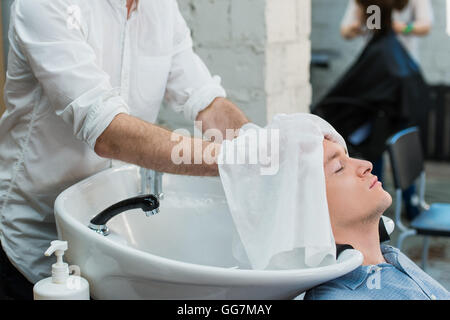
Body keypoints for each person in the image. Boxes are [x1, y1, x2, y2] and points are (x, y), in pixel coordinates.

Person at [0, 0, 249, 299]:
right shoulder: (45, 4)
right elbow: (108, 132)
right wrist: (235, 160)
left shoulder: (161, 9)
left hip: (112, 241)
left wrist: (257, 144)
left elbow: (205, 100)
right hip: (37, 246)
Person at [304, 138, 449, 300]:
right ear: (309, 209)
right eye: (339, 168)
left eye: (348, 156)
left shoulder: (390, 256)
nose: (367, 165)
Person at [340, 0, 433, 220]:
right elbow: (345, 30)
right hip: (375, 83)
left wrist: (400, 27)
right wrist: (359, 27)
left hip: (400, 86)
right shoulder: (363, 3)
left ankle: (412, 204)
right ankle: (373, 207)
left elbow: (425, 26)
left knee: (405, 146)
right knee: (374, 146)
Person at [341, 0, 434, 63]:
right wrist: (354, 28)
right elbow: (345, 32)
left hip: (405, 60)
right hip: (370, 62)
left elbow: (426, 26)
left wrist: (404, 28)